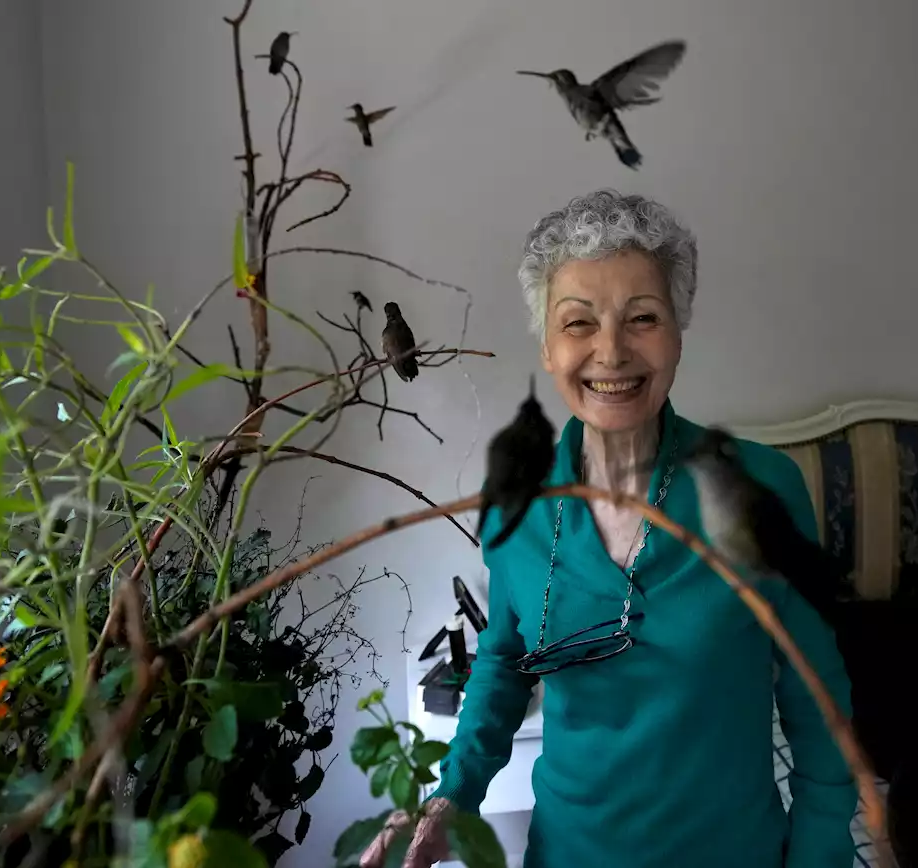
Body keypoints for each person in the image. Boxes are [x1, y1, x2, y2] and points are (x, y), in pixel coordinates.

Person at [361, 189, 856, 868]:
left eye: (642, 317)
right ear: (548, 347)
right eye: (579, 323)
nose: (612, 351)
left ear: (678, 331)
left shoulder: (763, 489)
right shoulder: (516, 505)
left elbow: (818, 698)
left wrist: (821, 853)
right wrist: (455, 793)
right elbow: (504, 662)